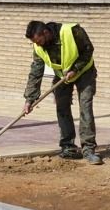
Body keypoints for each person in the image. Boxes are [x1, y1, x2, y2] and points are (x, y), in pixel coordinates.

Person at [23, 19, 101, 165]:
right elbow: (36, 72)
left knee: (85, 108)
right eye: (35, 42)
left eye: (39, 41)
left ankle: (89, 149)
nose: (38, 44)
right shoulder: (38, 46)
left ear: (45, 33)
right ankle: (68, 147)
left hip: (84, 72)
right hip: (62, 76)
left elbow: (88, 50)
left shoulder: (72, 31)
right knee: (62, 108)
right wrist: (29, 99)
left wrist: (75, 69)